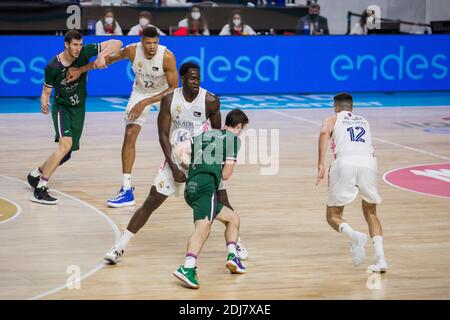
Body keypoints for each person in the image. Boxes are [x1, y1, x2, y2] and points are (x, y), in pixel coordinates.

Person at [103, 62, 248, 264]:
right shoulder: (170, 99)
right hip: (177, 158)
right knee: (151, 201)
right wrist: (173, 166)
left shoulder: (211, 101)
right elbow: (163, 135)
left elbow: (217, 137)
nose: (196, 82)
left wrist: (219, 166)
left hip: (204, 161)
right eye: (191, 78)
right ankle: (119, 247)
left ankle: (236, 241)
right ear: (182, 78)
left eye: (198, 78)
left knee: (221, 197)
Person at [67, 26, 178, 208]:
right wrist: (81, 70)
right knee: (129, 134)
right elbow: (108, 60)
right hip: (141, 93)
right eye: (148, 43)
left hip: (164, 94)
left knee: (181, 135)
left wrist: (146, 102)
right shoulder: (132, 50)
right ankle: (126, 190)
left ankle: (191, 174)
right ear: (142, 42)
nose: (152, 47)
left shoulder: (167, 57)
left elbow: (173, 87)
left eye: (155, 43)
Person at [26, 30, 123, 204]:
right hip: (62, 108)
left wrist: (102, 55)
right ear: (66, 45)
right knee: (65, 145)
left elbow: (117, 43)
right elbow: (46, 91)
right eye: (74, 45)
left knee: (67, 153)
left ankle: (36, 174)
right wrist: (44, 101)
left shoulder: (85, 52)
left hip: (79, 107)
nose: (78, 49)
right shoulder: (53, 66)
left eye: (80, 44)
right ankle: (40, 188)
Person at [173, 109, 249, 289]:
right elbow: (226, 174)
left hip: (191, 187)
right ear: (238, 127)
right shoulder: (234, 141)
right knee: (203, 228)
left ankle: (232, 257)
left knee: (233, 219)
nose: (242, 132)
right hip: (206, 186)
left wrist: (188, 166)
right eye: (243, 129)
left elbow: (179, 150)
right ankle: (187, 268)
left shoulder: (204, 134)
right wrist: (218, 166)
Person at [316, 93, 388, 273]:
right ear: (352, 107)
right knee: (371, 212)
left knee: (332, 215)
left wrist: (320, 163)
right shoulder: (364, 121)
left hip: (345, 163)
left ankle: (354, 236)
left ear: (336, 107)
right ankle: (381, 259)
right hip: (369, 163)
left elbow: (325, 131)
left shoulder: (333, 118)